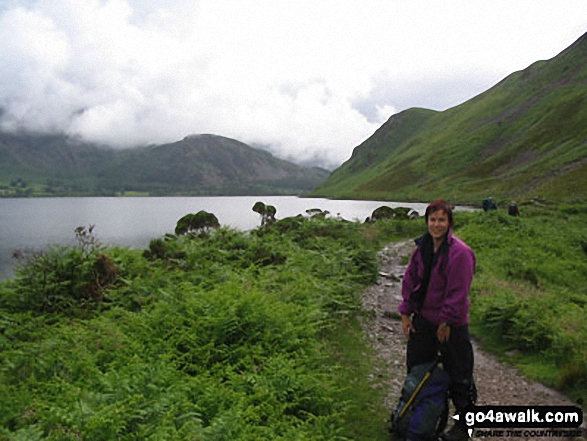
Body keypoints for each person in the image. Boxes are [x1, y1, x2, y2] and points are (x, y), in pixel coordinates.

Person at [398, 200, 477, 441]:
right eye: (432, 219)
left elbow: (457, 291)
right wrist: (405, 313)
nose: (436, 224)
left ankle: (464, 426)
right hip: (423, 320)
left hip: (451, 325)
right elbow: (410, 280)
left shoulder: (460, 253)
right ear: (427, 222)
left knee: (459, 374)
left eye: (441, 219)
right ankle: (422, 418)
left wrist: (446, 322)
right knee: (418, 369)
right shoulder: (421, 247)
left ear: (449, 223)